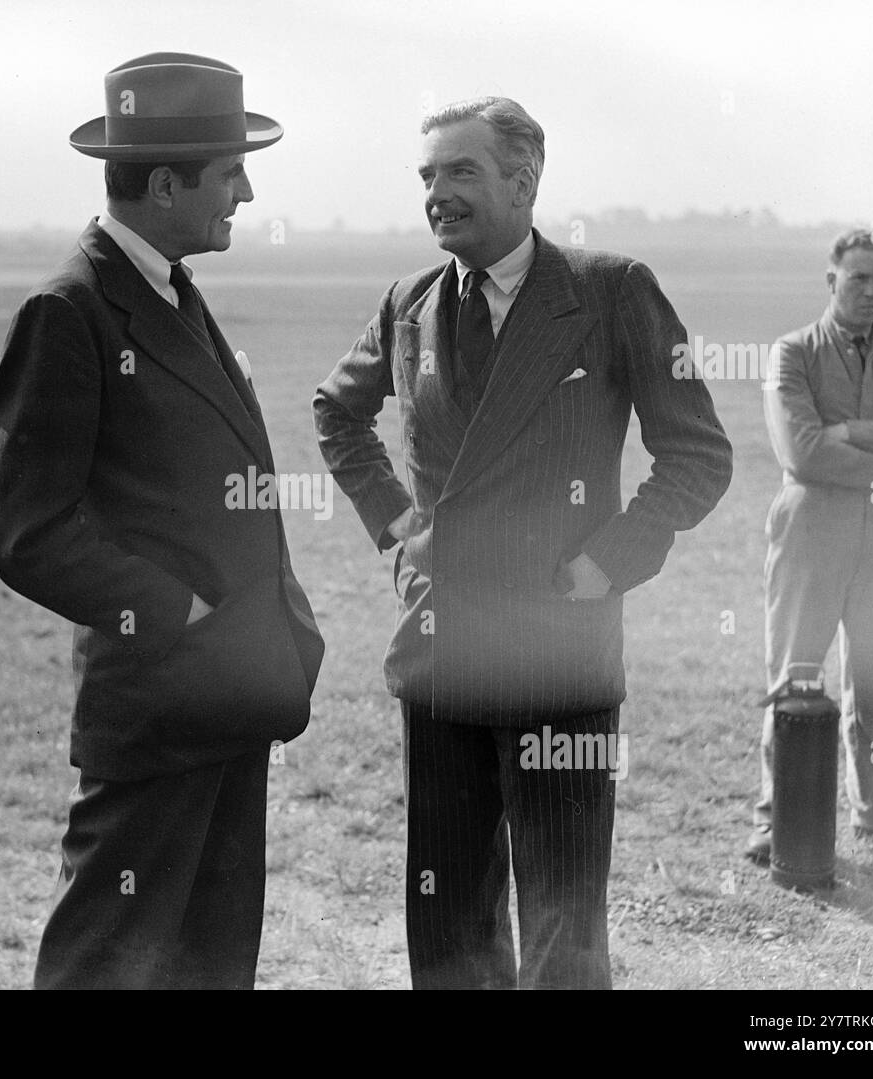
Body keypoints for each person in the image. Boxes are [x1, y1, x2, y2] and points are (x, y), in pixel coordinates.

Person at [312, 97, 732, 989]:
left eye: (459, 172)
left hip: (559, 652)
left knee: (564, 925)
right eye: (427, 176)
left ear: (525, 180)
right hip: (443, 652)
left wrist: (609, 561)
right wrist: (397, 526)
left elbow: (698, 454)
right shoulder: (409, 303)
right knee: (449, 916)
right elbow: (334, 412)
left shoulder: (612, 290)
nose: (436, 194)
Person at [0, 52, 324, 989]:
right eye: (229, 171)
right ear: (165, 181)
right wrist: (180, 611)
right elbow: (24, 529)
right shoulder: (69, 311)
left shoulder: (170, 286)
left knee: (211, 965)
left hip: (229, 697)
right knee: (106, 965)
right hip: (158, 704)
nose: (246, 192)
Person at [750, 228, 873, 864]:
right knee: (796, 674)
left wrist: (849, 431)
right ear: (832, 281)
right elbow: (801, 451)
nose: (872, 291)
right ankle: (778, 818)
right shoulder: (791, 353)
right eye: (860, 278)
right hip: (809, 530)